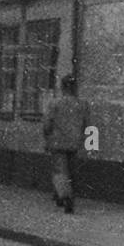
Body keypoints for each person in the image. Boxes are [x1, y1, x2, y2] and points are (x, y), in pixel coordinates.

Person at [43, 75, 89, 214]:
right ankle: (67, 195)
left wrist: (47, 137)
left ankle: (64, 196)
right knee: (72, 171)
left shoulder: (54, 103)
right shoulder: (82, 104)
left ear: (62, 87)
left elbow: (47, 124)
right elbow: (88, 125)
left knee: (59, 170)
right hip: (75, 142)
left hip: (57, 142)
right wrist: (89, 144)